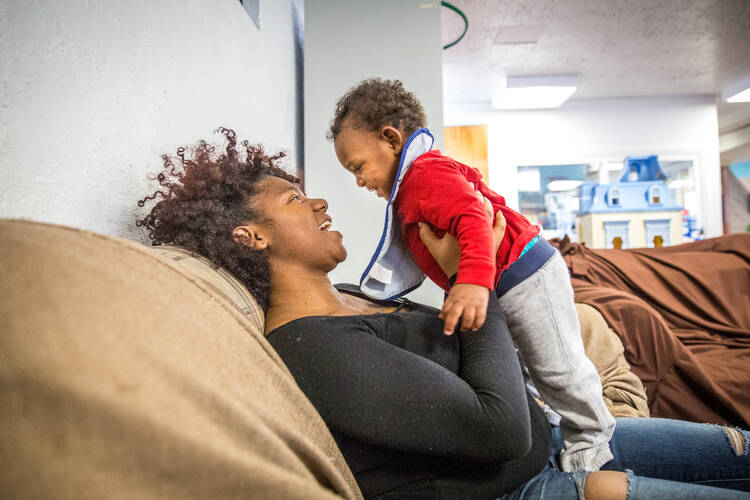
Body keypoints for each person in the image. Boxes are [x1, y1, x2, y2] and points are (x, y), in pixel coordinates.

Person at [137, 129, 750, 500]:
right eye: (296, 199)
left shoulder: (354, 293)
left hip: (559, 437)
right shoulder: (310, 348)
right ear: (251, 238)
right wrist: (473, 276)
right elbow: (498, 429)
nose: (321, 199)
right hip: (536, 483)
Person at [329, 78, 613, 472]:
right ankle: (549, 424)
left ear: (391, 139)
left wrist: (471, 281)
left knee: (557, 367)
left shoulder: (425, 176)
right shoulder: (412, 185)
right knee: (524, 367)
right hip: (509, 281)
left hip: (525, 272)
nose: (359, 181)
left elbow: (473, 216)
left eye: (358, 167)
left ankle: (592, 441)